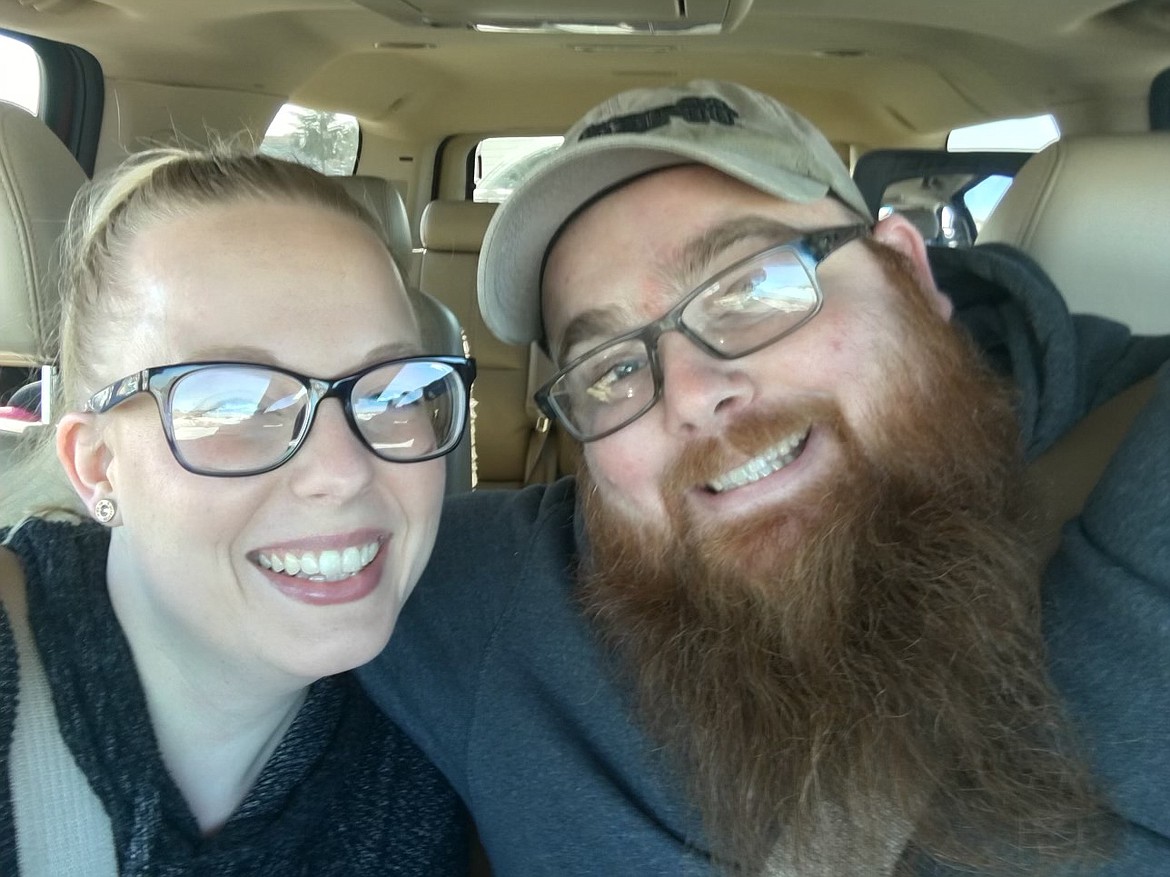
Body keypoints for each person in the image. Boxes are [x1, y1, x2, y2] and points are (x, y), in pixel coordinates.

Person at [358, 81, 1170, 875]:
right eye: (608, 368)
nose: (691, 395)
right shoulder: (502, 594)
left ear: (910, 273)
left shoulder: (1140, 467)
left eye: (753, 287)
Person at [0, 148, 476, 874]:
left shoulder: (440, 734)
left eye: (389, 391)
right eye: (231, 401)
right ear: (98, 464)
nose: (343, 472)